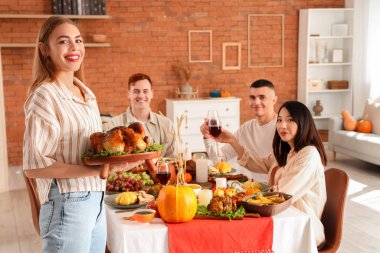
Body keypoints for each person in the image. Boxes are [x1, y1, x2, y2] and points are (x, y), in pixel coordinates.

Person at [23, 16, 132, 253]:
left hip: (96, 200)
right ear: (45, 50)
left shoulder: (85, 93)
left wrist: (114, 163)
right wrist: (96, 170)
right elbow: (34, 166)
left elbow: (88, 151)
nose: (74, 48)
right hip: (67, 202)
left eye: (78, 40)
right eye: (64, 41)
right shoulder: (45, 95)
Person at [212, 100, 327, 247]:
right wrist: (232, 141)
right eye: (279, 120)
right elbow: (257, 162)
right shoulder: (286, 152)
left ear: (303, 122)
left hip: (300, 229)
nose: (282, 125)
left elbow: (281, 195)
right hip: (279, 219)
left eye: (290, 120)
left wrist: (242, 197)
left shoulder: (309, 155)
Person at [200, 79, 277, 178]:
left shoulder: (282, 128)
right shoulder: (246, 128)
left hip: (274, 189)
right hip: (249, 187)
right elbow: (220, 161)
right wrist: (208, 138)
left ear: (274, 100)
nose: (256, 102)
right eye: (252, 97)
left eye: (262, 97)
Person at [103, 73, 177, 157]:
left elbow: (173, 160)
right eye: (136, 91)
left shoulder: (167, 125)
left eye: (145, 91)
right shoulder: (112, 125)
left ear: (152, 93)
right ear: (129, 94)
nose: (141, 95)